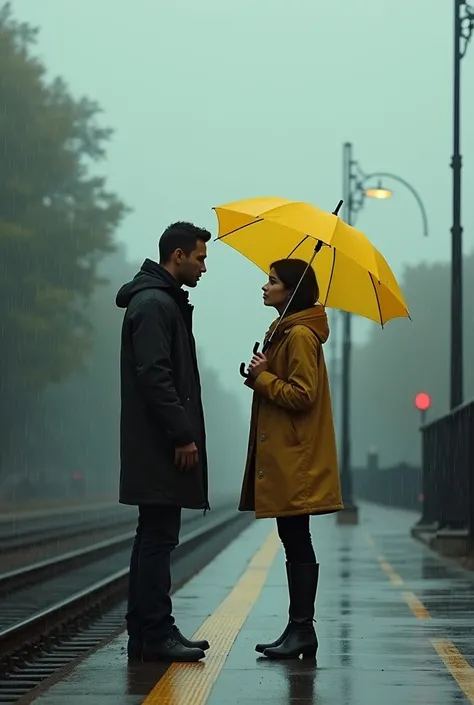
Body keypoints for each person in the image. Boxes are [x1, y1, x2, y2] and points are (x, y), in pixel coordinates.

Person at [116, 221, 211, 663]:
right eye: (200, 257)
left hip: (151, 442)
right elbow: (156, 375)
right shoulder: (156, 304)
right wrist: (181, 434)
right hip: (159, 444)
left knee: (152, 535)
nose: (204, 267)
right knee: (158, 538)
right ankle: (155, 632)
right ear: (178, 256)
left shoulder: (159, 301)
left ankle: (148, 631)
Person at [239, 258, 343, 660]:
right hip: (288, 454)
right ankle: (298, 628)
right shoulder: (284, 332)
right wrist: (261, 373)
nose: (265, 287)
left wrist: (264, 378)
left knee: (297, 540)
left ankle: (302, 629)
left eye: (273, 282)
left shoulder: (299, 334)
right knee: (293, 539)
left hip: (295, 458)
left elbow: (302, 394)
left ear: (291, 291)